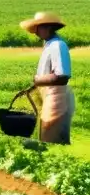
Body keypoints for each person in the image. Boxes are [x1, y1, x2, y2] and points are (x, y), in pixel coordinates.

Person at [20, 11, 75, 145]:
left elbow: (62, 76)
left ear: (48, 27)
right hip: (51, 96)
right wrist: (35, 86)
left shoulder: (58, 45)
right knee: (46, 138)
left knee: (52, 142)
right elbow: (49, 72)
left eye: (37, 28)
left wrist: (37, 80)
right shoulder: (50, 44)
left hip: (58, 98)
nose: (35, 32)